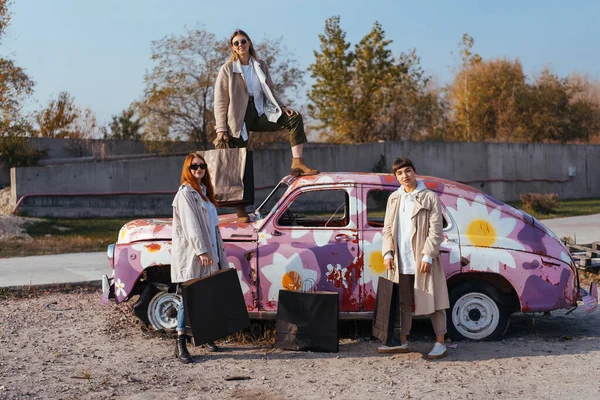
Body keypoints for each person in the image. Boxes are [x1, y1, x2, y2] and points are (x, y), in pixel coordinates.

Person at [214, 29, 319, 221]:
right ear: (232, 47)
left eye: (243, 41)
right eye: (236, 43)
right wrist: (221, 128)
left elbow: (269, 90)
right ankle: (240, 211)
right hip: (239, 116)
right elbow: (220, 100)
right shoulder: (227, 69)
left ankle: (297, 162)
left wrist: (282, 106)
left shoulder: (260, 65)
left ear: (249, 43)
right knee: (239, 164)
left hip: (262, 110)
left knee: (294, 118)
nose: (240, 45)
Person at [379, 158, 450, 359]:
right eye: (399, 173)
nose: (404, 176)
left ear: (415, 171)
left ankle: (440, 343)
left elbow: (436, 231)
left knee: (434, 300)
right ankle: (402, 342)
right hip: (400, 259)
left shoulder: (429, 197)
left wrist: (428, 255)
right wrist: (387, 253)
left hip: (423, 258)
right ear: (396, 177)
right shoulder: (394, 198)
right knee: (403, 301)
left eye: (407, 171)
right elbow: (387, 229)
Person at [171, 152, 228, 363]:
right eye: (194, 166)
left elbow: (213, 227)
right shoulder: (185, 193)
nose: (198, 169)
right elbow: (191, 225)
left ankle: (205, 336)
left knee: (205, 295)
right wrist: (201, 250)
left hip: (210, 252)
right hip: (194, 254)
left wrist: (216, 252)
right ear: (187, 168)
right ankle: (180, 342)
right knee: (190, 297)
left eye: (201, 166)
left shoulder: (203, 192)